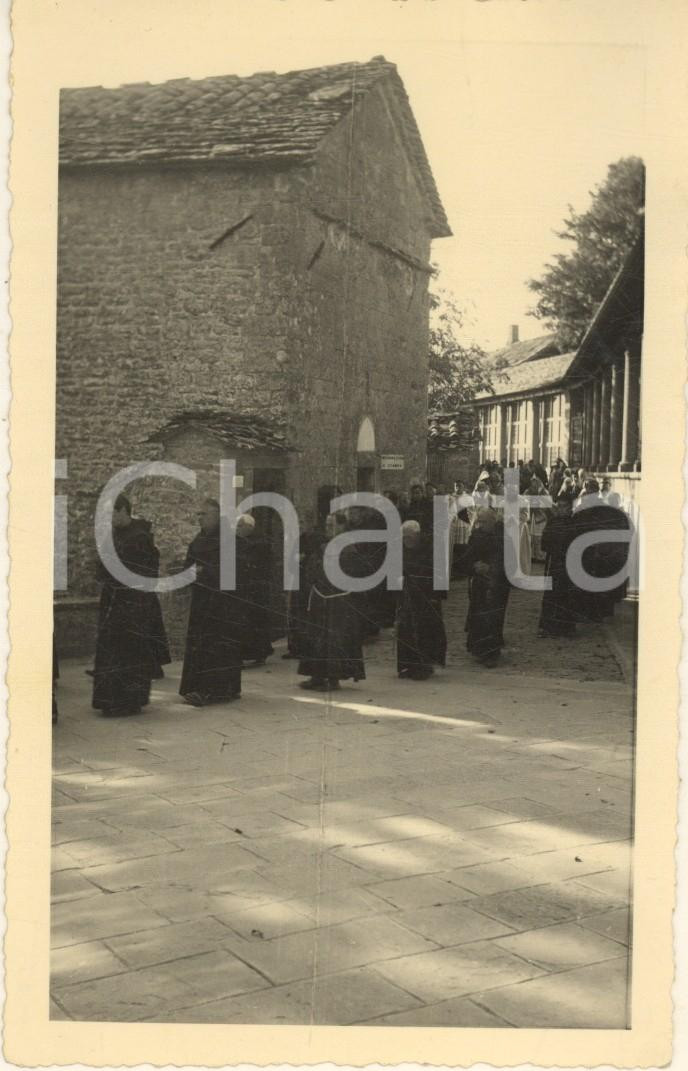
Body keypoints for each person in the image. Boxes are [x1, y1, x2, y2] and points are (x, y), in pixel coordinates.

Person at [92, 494, 168, 717]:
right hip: (114, 600)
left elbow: (146, 571)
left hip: (134, 604)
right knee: (111, 650)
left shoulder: (140, 537)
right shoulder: (114, 536)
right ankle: (110, 700)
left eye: (111, 514)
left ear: (123, 510)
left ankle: (129, 701)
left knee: (130, 652)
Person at [179, 499, 242, 706]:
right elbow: (191, 561)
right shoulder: (199, 539)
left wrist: (205, 571)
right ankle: (199, 687)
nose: (199, 518)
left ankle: (214, 690)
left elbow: (233, 570)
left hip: (222, 603)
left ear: (216, 515)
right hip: (202, 599)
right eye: (198, 514)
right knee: (202, 643)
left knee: (218, 645)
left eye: (203, 514)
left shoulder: (228, 539)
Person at [297, 511, 366, 691]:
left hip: (338, 601)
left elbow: (352, 573)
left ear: (342, 526)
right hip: (321, 597)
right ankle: (317, 676)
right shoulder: (323, 546)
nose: (328, 528)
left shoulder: (348, 548)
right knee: (316, 637)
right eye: (327, 524)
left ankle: (333, 678)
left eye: (332, 524)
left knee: (335, 639)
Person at [396, 520, 447, 680]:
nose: (406, 541)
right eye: (403, 538)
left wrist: (435, 596)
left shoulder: (431, 549)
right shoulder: (402, 549)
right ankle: (407, 664)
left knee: (426, 631)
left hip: (427, 597)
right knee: (406, 630)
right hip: (407, 596)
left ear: (417, 535)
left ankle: (424, 666)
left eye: (409, 538)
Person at [464, 507, 511, 667]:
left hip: (497, 582)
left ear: (493, 521)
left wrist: (490, 568)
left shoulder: (503, 536)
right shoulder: (476, 535)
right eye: (479, 521)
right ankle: (479, 649)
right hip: (479, 581)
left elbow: (507, 558)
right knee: (478, 615)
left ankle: (491, 652)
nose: (480, 524)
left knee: (493, 617)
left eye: (484, 521)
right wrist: (474, 565)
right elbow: (468, 555)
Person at [235, 513, 274, 666]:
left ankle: (260, 654)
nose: (237, 529)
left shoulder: (261, 543)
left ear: (249, 527)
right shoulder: (239, 541)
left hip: (257, 590)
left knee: (256, 623)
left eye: (240, 526)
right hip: (245, 588)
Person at [538, 502, 577, 638]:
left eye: (564, 506)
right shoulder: (552, 522)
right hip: (555, 563)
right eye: (559, 506)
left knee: (567, 595)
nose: (561, 509)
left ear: (570, 508)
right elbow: (544, 543)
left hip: (569, 564)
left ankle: (566, 628)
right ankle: (548, 627)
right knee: (551, 595)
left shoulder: (574, 524)